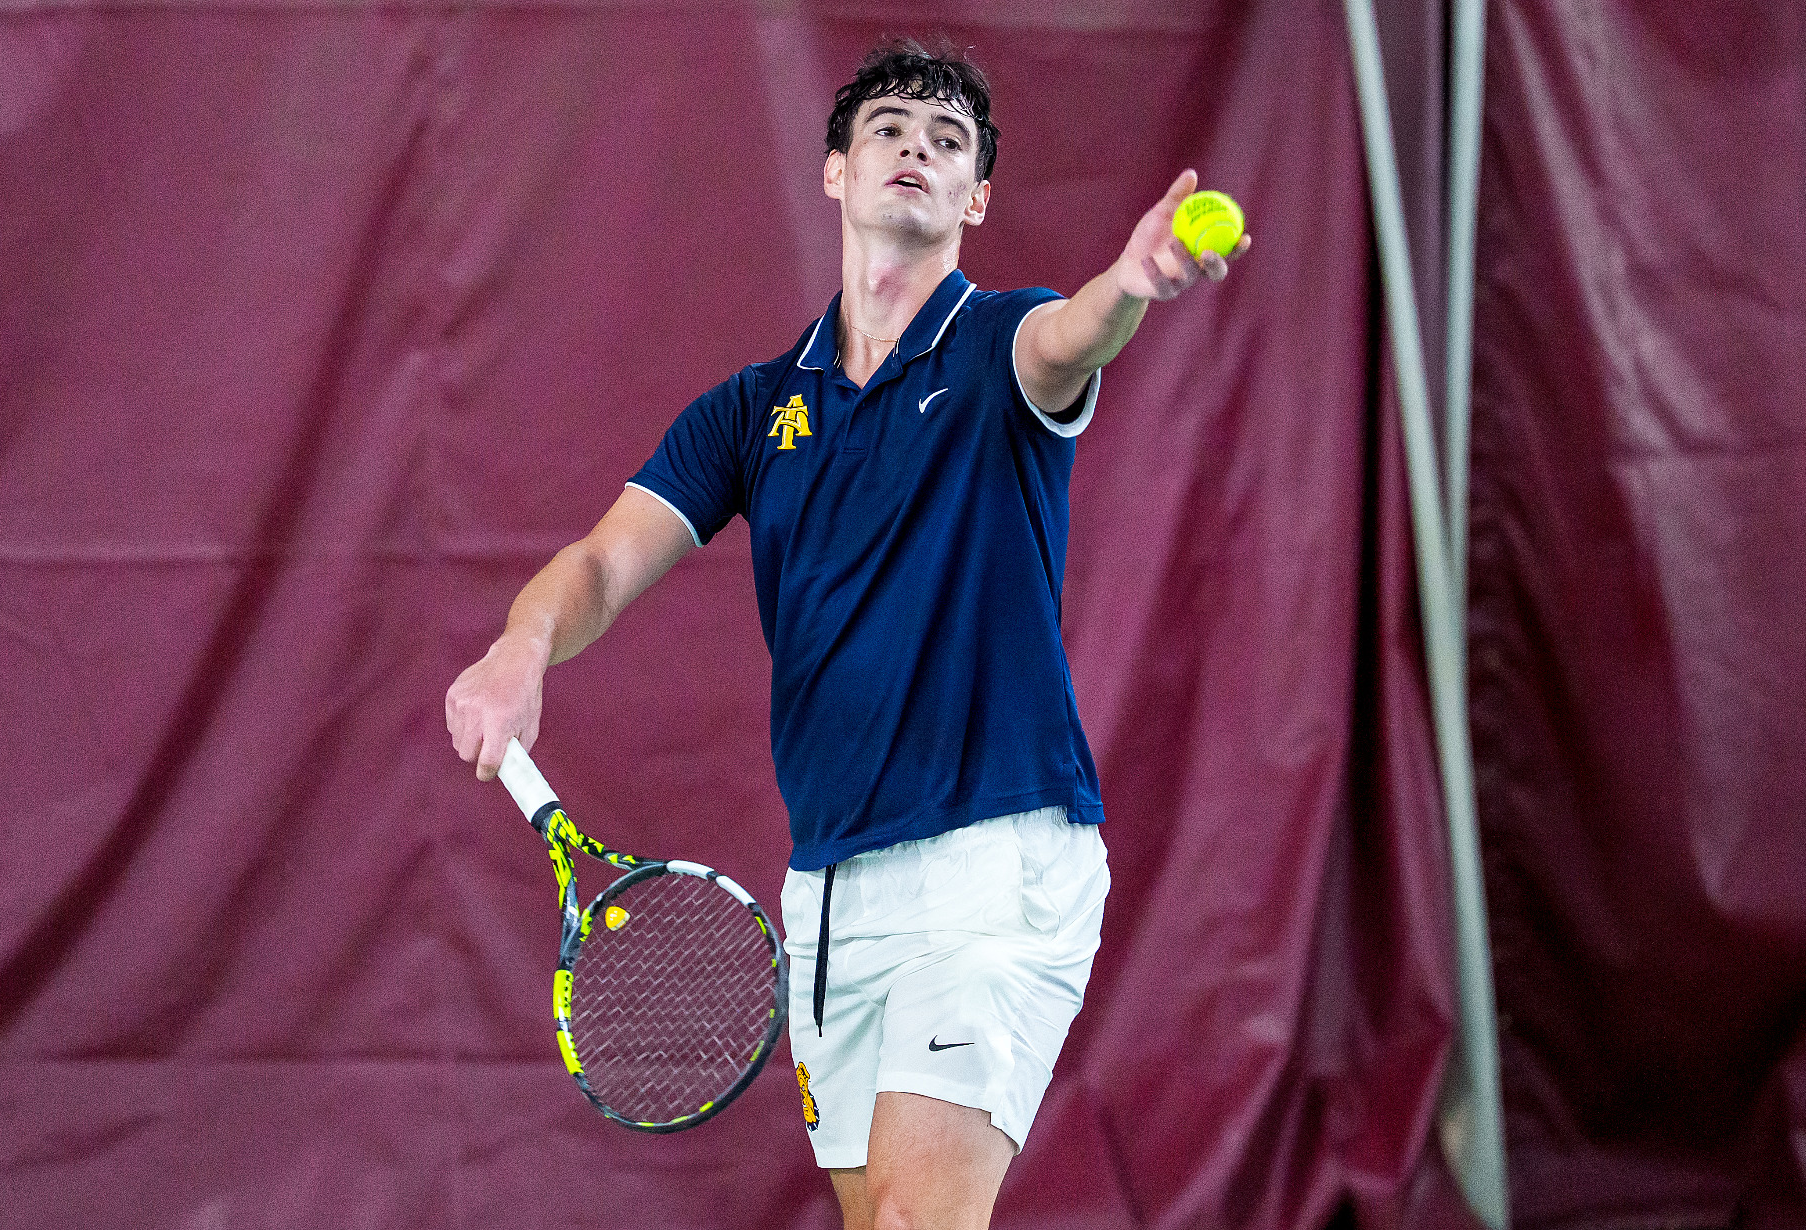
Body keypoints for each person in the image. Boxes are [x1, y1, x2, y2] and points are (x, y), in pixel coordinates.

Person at [445, 37, 1243, 1230]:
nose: (916, 147)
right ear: (836, 171)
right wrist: (521, 646)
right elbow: (603, 564)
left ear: (974, 198)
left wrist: (1127, 281)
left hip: (989, 865)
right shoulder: (753, 411)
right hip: (829, 893)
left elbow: (1071, 338)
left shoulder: (1000, 345)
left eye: (947, 140)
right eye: (888, 129)